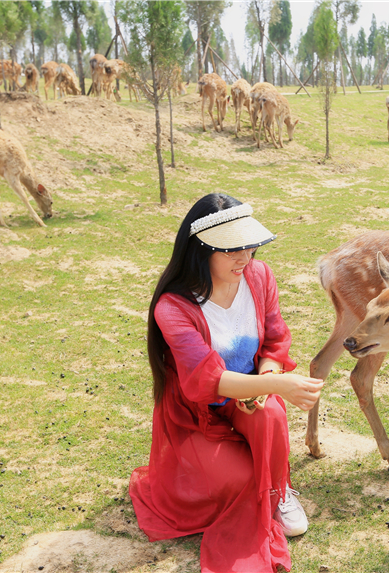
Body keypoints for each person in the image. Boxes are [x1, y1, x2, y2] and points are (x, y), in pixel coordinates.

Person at [129, 193, 324, 573]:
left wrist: (268, 379)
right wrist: (281, 386)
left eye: (250, 246)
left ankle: (277, 490)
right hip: (198, 412)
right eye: (232, 249)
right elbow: (208, 380)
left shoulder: (260, 276)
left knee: (271, 416)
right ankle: (256, 477)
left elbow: (274, 339)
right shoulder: (173, 307)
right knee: (239, 482)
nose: (245, 257)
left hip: (246, 394)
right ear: (200, 250)